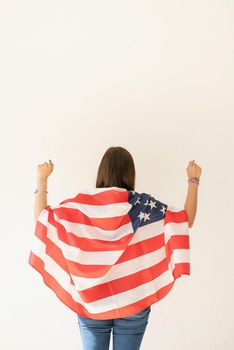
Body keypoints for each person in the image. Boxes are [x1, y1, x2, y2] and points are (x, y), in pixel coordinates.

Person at [33, 147, 202, 350]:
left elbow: (42, 220)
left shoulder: (80, 207)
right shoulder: (144, 206)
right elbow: (185, 220)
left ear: (101, 172)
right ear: (130, 173)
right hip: (133, 301)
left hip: (91, 302)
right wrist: (193, 181)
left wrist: (42, 180)